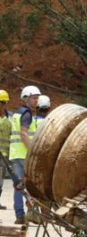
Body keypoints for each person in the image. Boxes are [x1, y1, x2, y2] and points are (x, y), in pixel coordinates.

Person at [10, 86, 42, 224]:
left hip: (16, 154)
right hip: (25, 156)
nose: (37, 101)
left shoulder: (18, 113)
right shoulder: (27, 114)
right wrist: (32, 151)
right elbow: (23, 134)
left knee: (18, 186)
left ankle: (20, 216)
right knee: (31, 186)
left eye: (37, 98)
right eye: (34, 98)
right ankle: (33, 213)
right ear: (26, 98)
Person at [0, 90, 11, 209]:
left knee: (0, 181)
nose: (3, 105)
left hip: (4, 155)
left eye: (4, 102)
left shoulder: (9, 118)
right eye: (1, 102)